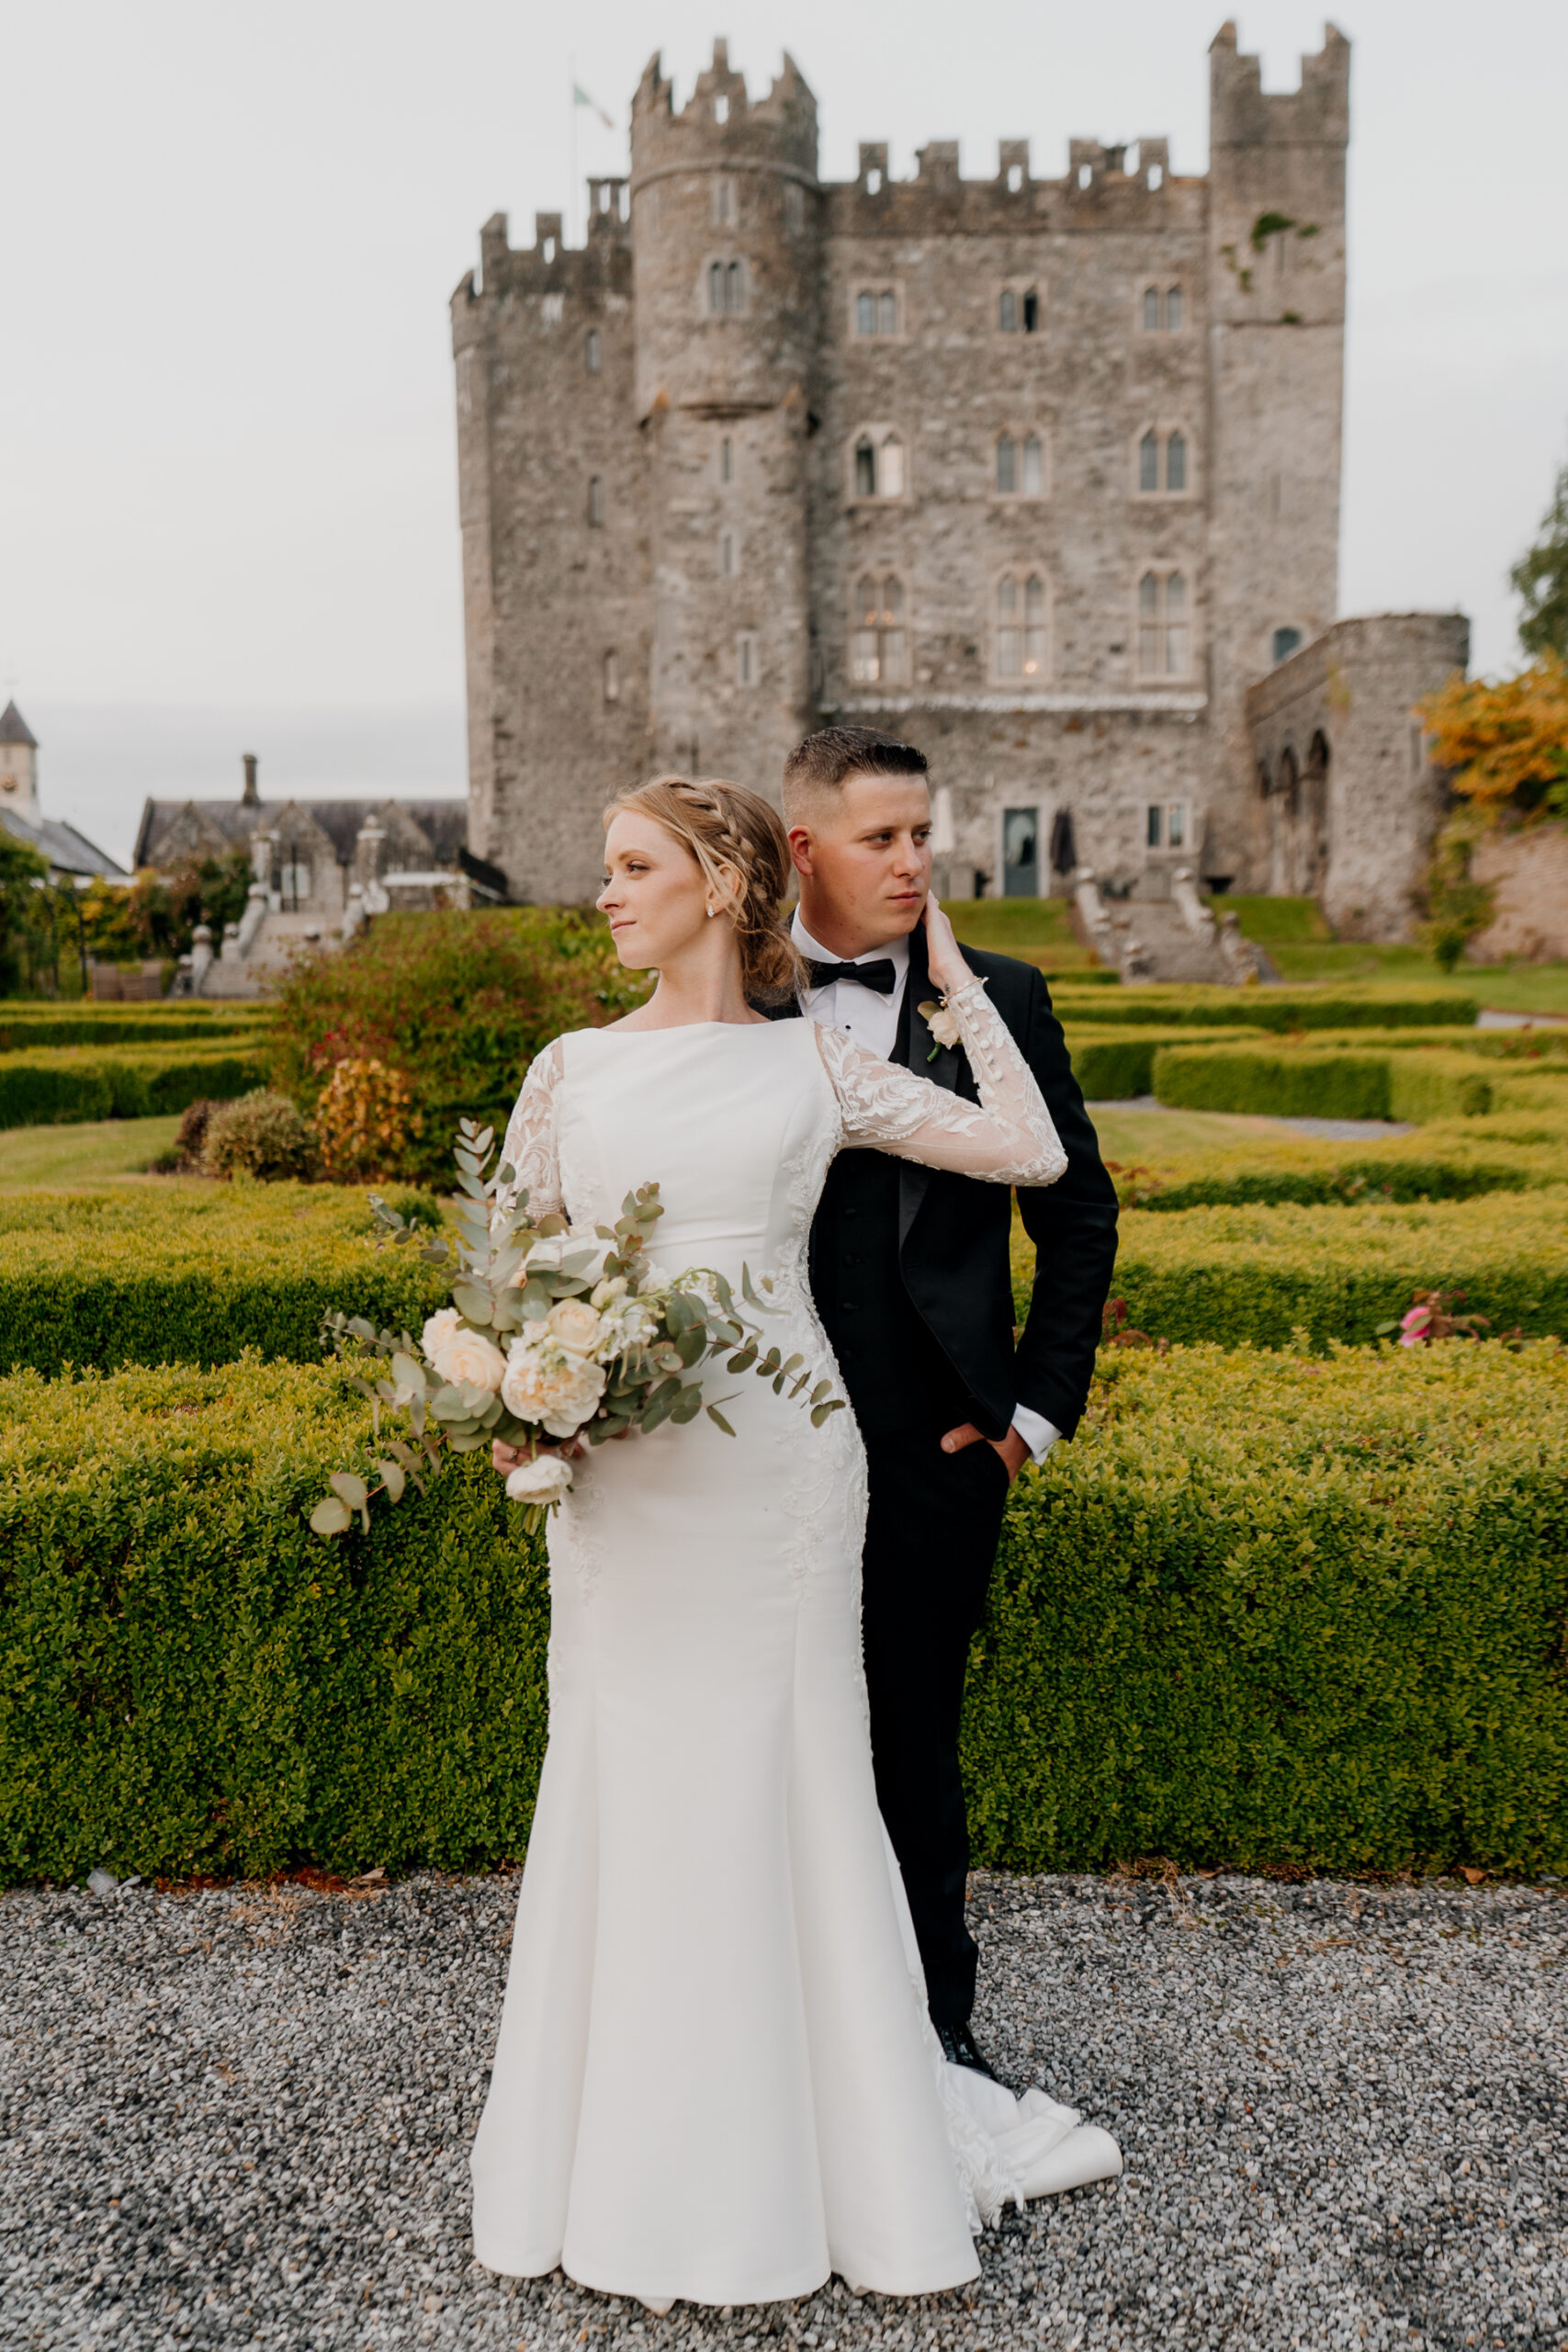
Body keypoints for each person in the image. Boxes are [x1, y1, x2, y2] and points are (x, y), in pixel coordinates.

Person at [471, 775, 1121, 2313]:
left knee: (795, 1757)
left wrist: (954, 978)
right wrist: (519, 1396)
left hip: (782, 1467)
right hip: (630, 1474)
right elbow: (509, 1272)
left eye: (633, 866)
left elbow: (1030, 1153)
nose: (609, 894)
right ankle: (622, 2145)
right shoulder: (567, 1068)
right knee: (627, 1762)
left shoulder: (823, 1063)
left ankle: (834, 2140)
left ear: (713, 875)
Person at [776, 727, 1119, 2071]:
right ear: (804, 847)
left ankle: (938, 2029)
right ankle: (783, 2021)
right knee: (776, 1733)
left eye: (925, 832)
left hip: (939, 1446)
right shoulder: (732, 1003)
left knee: (917, 1738)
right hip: (764, 1444)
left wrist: (1034, 1416)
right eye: (883, 838)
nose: (917, 861)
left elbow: (1076, 1211)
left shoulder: (1006, 995)